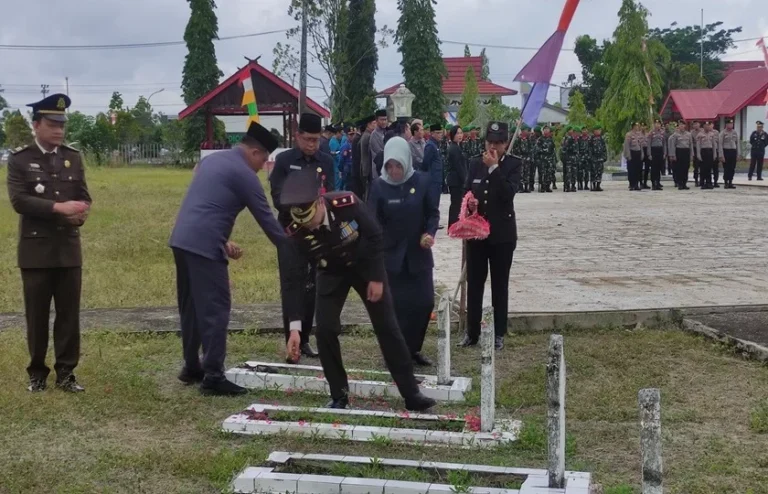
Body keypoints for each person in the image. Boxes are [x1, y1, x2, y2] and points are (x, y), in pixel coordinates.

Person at [279, 168, 437, 411]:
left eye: (310, 219)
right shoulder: (296, 231)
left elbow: (374, 235)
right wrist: (295, 328)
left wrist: (375, 277)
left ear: (320, 202)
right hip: (331, 271)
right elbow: (292, 279)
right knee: (325, 329)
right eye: (302, 223)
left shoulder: (347, 203)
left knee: (387, 326)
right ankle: (339, 394)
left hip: (366, 266)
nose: (308, 227)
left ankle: (411, 394)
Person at [170, 122, 286, 396]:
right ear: (255, 152)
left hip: (182, 240)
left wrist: (223, 241)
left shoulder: (214, 161)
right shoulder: (244, 174)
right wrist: (298, 250)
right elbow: (269, 223)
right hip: (204, 246)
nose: (262, 166)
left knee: (191, 308)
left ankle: (191, 367)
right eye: (263, 160)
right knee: (215, 308)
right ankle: (213, 375)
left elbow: (206, 205)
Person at [6, 94, 91, 393]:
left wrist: (80, 213)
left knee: (69, 315)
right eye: (53, 125)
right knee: (37, 315)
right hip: (36, 250)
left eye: (62, 125)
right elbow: (19, 200)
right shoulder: (20, 159)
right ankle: (37, 373)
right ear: (37, 125)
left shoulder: (73, 157)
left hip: (68, 248)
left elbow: (83, 195)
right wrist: (58, 209)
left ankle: (67, 373)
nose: (59, 130)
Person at [269, 113, 335, 362]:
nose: (312, 144)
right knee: (292, 284)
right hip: (289, 232)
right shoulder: (285, 161)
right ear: (297, 136)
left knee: (313, 284)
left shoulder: (326, 161)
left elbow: (331, 192)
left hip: (317, 232)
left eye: (316, 140)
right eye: (308, 139)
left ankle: (305, 337)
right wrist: (299, 208)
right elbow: (277, 195)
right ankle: (292, 336)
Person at [368, 137, 439, 367]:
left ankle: (413, 348)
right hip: (391, 258)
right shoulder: (378, 186)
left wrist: (429, 233)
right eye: (390, 166)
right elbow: (372, 222)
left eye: (398, 165)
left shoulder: (422, 181)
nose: (395, 170)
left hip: (418, 255)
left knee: (425, 302)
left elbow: (432, 213)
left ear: (407, 162)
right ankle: (396, 353)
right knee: (396, 308)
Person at [458, 122, 521, 351]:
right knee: (475, 283)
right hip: (477, 234)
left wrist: (495, 169)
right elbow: (466, 190)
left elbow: (507, 195)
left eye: (498, 142)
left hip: (502, 235)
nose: (493, 146)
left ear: (505, 144)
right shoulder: (475, 163)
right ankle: (472, 332)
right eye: (490, 142)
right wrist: (470, 203)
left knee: (499, 284)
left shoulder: (513, 165)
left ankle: (498, 333)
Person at [445, 125, 467, 227]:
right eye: (457, 133)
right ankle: (453, 225)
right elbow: (459, 167)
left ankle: (455, 224)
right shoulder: (454, 149)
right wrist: (465, 180)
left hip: (456, 180)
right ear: (452, 135)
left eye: (461, 133)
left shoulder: (457, 147)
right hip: (455, 180)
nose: (460, 135)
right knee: (456, 204)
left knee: (458, 203)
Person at [422, 123, 445, 206]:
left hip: (437, 179)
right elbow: (425, 163)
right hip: (432, 180)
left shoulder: (435, 144)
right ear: (431, 133)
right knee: (433, 205)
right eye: (437, 133)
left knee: (436, 204)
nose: (440, 135)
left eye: (441, 133)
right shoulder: (430, 146)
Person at [668, 120, 693, 190]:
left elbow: (691, 145)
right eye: (680, 125)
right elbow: (673, 145)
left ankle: (684, 183)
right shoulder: (675, 135)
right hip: (679, 151)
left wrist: (692, 155)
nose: (682, 126)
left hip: (686, 151)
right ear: (678, 126)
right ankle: (680, 183)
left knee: (686, 168)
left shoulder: (689, 134)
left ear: (685, 126)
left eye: (683, 125)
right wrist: (673, 155)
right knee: (679, 168)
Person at [696, 121, 718, 190]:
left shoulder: (712, 134)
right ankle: (703, 183)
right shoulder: (700, 134)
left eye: (708, 125)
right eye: (705, 125)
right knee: (703, 169)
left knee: (709, 168)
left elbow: (714, 145)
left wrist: (714, 154)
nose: (707, 127)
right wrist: (698, 154)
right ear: (703, 126)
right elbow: (698, 145)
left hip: (710, 151)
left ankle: (709, 183)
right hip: (703, 151)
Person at [623, 122, 645, 191]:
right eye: (636, 126)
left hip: (638, 153)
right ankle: (632, 184)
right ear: (633, 126)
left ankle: (636, 184)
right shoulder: (629, 134)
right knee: (631, 170)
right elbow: (626, 145)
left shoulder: (639, 135)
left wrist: (642, 153)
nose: (637, 127)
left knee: (638, 169)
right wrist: (628, 155)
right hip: (632, 153)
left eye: (638, 126)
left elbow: (641, 145)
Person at [719, 119, 740, 189]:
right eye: (729, 124)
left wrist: (738, 154)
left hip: (733, 151)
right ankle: (726, 182)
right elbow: (720, 144)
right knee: (726, 168)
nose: (731, 125)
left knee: (732, 168)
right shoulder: (723, 133)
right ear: (726, 125)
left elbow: (737, 143)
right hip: (726, 151)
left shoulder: (735, 132)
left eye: (732, 124)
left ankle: (730, 182)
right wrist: (721, 155)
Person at [648, 119, 667, 191]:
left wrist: (665, 153)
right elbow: (649, 144)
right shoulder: (651, 133)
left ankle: (658, 182)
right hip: (654, 150)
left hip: (660, 150)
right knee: (654, 168)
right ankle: (653, 183)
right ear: (654, 125)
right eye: (656, 124)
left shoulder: (662, 133)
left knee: (659, 167)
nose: (657, 125)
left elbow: (664, 143)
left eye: (659, 124)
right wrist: (649, 154)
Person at [369, 110, 388, 179]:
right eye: (382, 120)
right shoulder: (374, 135)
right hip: (378, 170)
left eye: (385, 119)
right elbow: (379, 153)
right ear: (376, 120)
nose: (384, 122)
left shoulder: (387, 132)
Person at [360, 115, 376, 198]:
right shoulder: (368, 136)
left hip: (366, 167)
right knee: (368, 190)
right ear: (369, 124)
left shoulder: (366, 135)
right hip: (368, 168)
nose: (375, 124)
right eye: (374, 123)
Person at [589, 125, 607, 192]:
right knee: (593, 172)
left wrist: (605, 156)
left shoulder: (601, 139)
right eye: (598, 130)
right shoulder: (591, 139)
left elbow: (604, 148)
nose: (599, 131)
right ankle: (593, 185)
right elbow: (589, 149)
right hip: (594, 158)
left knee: (600, 171)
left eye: (600, 130)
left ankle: (598, 185)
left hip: (600, 158)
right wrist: (590, 157)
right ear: (594, 131)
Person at [339, 126, 354, 191]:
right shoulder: (345, 146)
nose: (352, 136)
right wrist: (341, 169)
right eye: (350, 135)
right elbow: (341, 159)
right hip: (347, 168)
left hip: (353, 168)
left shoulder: (354, 144)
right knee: (345, 185)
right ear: (347, 135)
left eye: (353, 134)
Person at [577, 126, 591, 190]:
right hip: (580, 157)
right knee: (580, 172)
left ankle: (586, 185)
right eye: (583, 130)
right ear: (581, 131)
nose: (584, 131)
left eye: (585, 130)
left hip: (587, 157)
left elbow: (591, 148)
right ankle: (580, 185)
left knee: (586, 172)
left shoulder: (589, 139)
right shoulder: (579, 139)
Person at [690, 121, 702, 186]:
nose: (696, 125)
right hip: (695, 149)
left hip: (702, 149)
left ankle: (702, 179)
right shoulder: (691, 133)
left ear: (699, 124)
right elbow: (691, 143)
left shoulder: (702, 131)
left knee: (702, 166)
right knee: (696, 166)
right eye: (694, 124)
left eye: (697, 124)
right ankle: (696, 180)